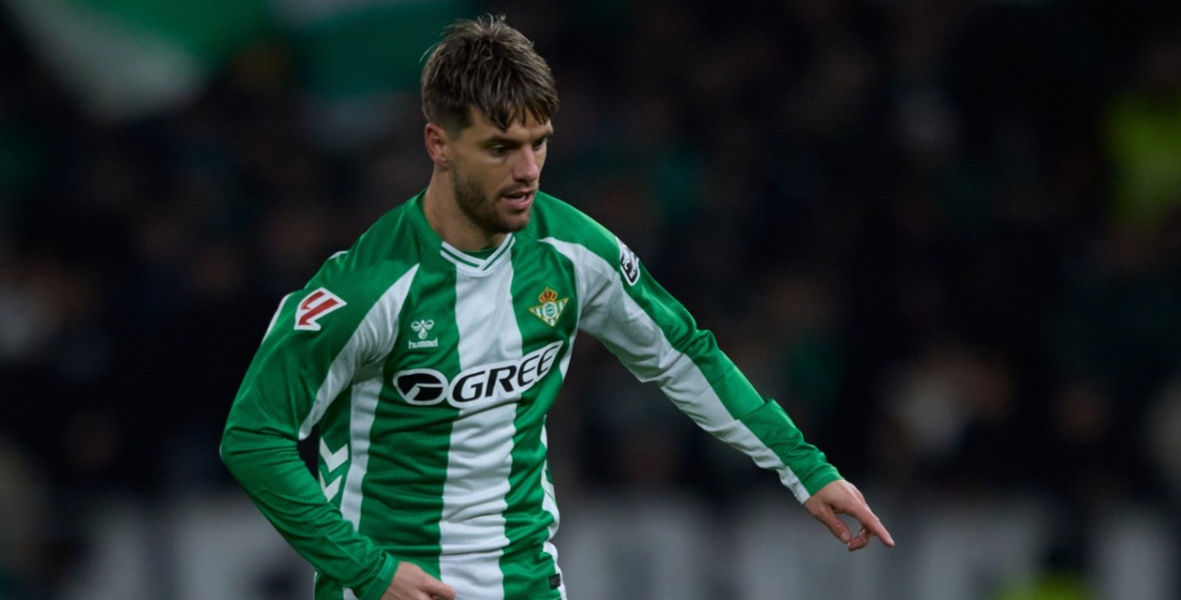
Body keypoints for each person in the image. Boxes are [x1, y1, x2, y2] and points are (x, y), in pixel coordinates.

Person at [220, 14, 894, 600]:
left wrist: (806, 470)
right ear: (438, 145)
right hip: (390, 586)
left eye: (539, 142)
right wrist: (368, 571)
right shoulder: (367, 289)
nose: (528, 170)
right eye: (500, 148)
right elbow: (253, 436)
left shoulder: (573, 251)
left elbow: (682, 353)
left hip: (526, 580)